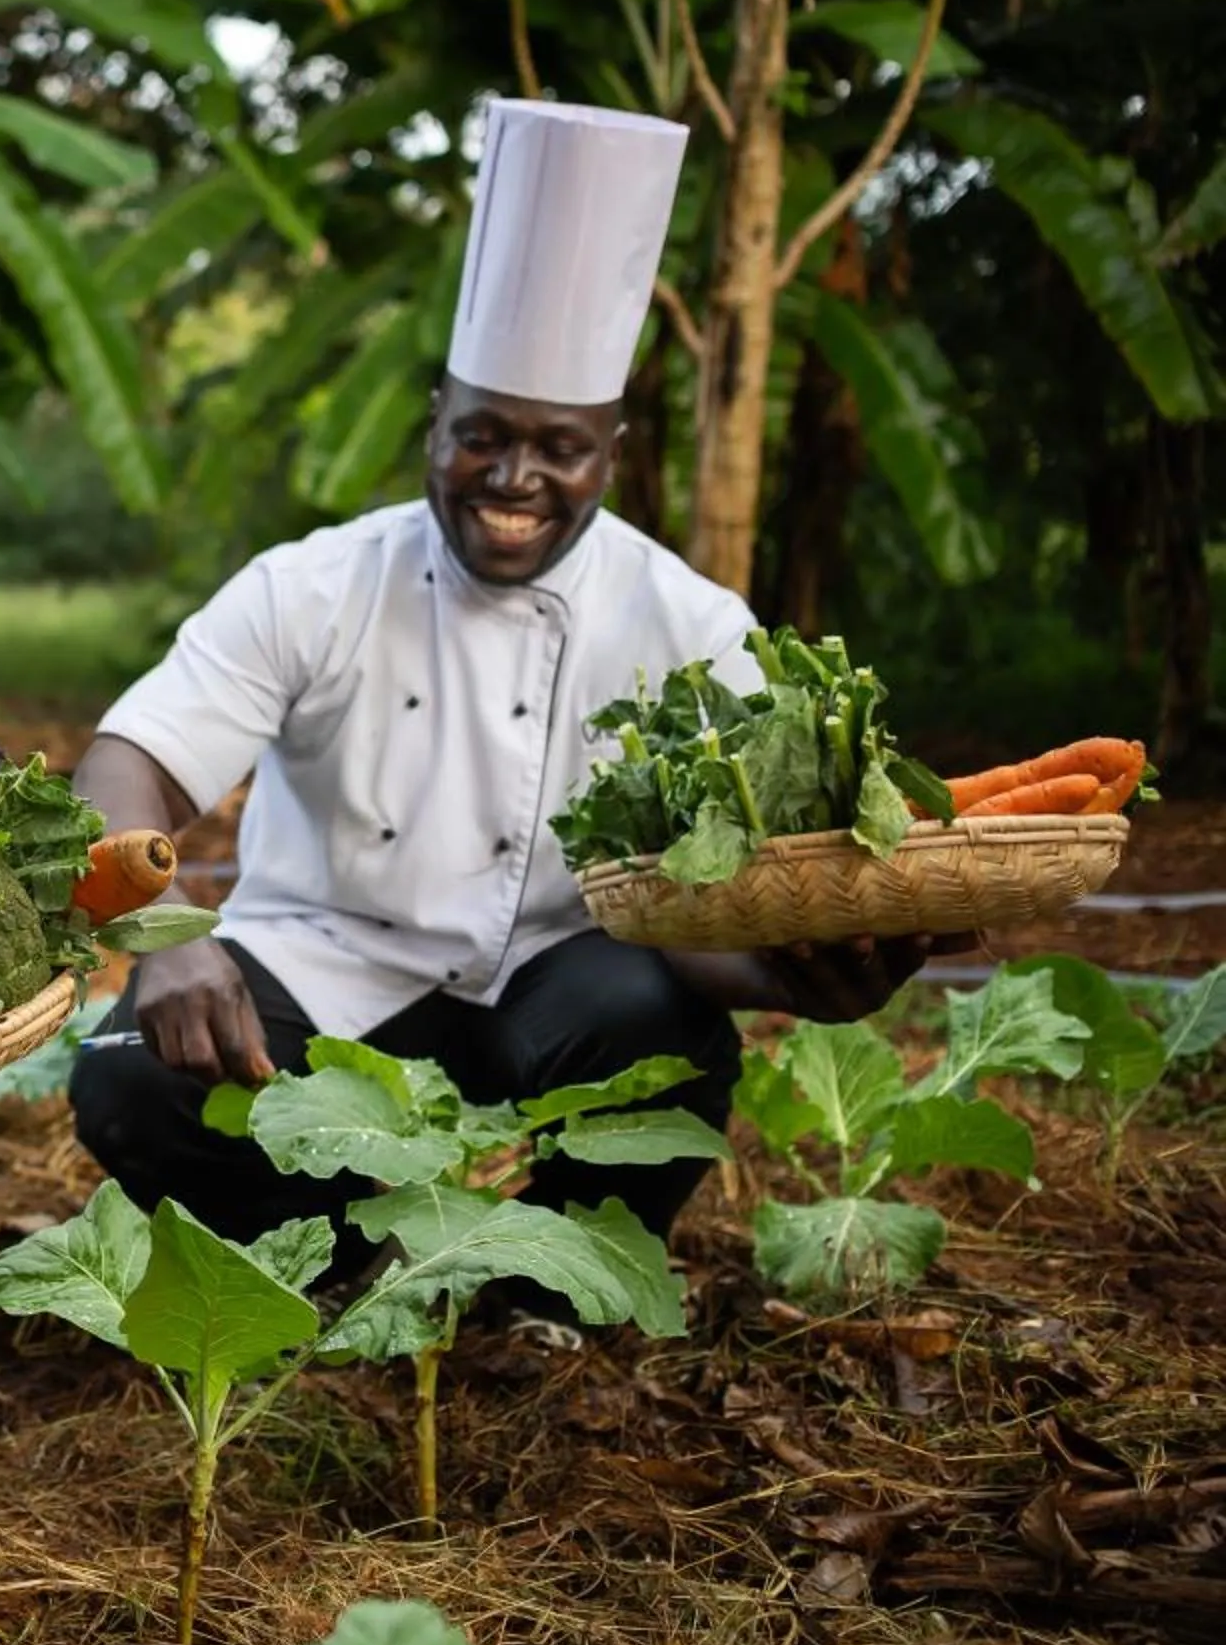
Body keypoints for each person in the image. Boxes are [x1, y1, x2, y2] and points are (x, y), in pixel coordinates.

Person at [68, 96, 945, 1294]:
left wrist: (812, 979)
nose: (514, 477)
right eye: (482, 435)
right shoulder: (316, 584)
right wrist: (158, 932)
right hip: (325, 973)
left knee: (668, 1034)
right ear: (435, 427)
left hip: (562, 987)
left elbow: (729, 917)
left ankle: (547, 1294)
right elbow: (133, 759)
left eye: (559, 445)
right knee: (125, 1068)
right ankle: (342, 1274)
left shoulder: (691, 625)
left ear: (613, 452)